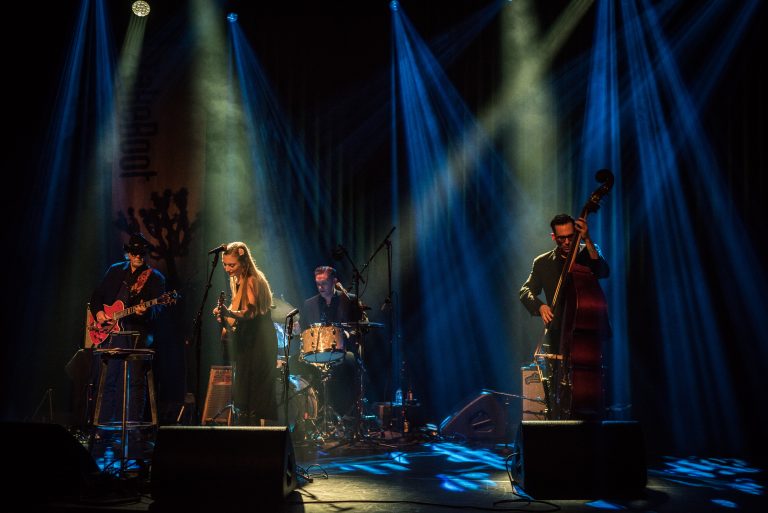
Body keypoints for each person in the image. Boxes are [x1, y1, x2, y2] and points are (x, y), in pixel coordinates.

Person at [519, 214, 609, 416]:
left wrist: (586, 239)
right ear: (554, 237)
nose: (567, 242)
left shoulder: (587, 254)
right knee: (554, 389)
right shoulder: (542, 263)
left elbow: (603, 270)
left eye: (571, 236)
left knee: (590, 385)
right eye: (562, 238)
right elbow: (525, 291)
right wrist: (540, 306)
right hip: (557, 333)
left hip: (585, 335)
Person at [89, 232, 166, 424]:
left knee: (135, 383)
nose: (139, 256)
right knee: (108, 381)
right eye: (135, 253)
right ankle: (103, 428)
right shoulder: (115, 270)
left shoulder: (155, 278)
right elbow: (96, 296)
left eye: (142, 253)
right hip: (110, 334)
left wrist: (145, 312)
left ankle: (133, 428)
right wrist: (99, 313)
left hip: (136, 336)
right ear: (129, 254)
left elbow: (159, 310)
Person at [212, 242, 277, 426]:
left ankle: (255, 433)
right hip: (249, 339)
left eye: (231, 265)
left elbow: (249, 313)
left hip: (260, 340)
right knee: (246, 389)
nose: (227, 268)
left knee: (255, 390)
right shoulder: (237, 280)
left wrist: (229, 313)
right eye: (225, 264)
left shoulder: (252, 280)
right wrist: (225, 316)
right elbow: (238, 313)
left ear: (244, 261)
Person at [293, 266, 364, 423]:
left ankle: (347, 413)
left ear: (335, 282)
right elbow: (303, 330)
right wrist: (295, 329)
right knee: (293, 363)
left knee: (351, 361)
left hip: (343, 351)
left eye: (324, 283)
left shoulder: (349, 300)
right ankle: (307, 414)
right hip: (316, 352)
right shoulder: (309, 304)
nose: (320, 287)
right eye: (317, 283)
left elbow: (360, 327)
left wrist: (348, 334)